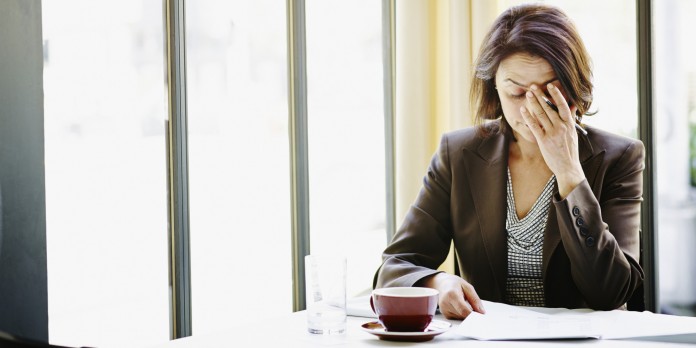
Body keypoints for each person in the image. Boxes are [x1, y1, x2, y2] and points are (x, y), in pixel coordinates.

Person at [373, 3, 644, 319]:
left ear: (573, 87)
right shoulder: (459, 153)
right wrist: (438, 280)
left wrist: (569, 170)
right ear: (495, 90)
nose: (532, 109)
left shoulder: (619, 157)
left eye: (550, 91)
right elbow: (392, 270)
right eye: (516, 93)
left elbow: (610, 293)